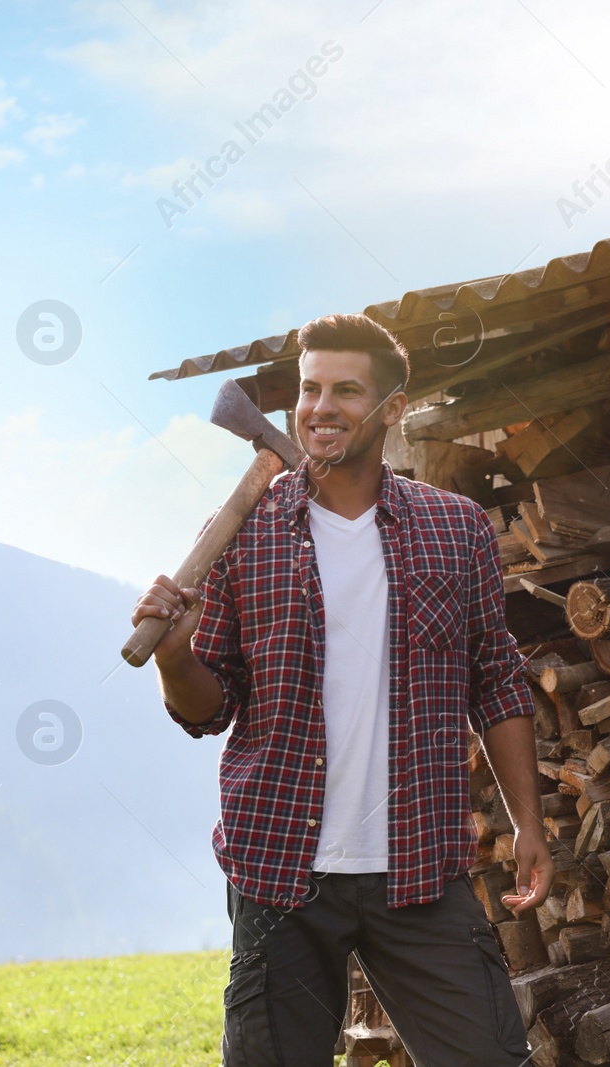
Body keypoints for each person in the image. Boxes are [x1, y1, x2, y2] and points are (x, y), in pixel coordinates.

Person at [131, 313, 550, 1066]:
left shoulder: (454, 530)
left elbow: (497, 683)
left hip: (419, 866)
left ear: (392, 406)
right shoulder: (244, 533)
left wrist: (529, 824)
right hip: (279, 870)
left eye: (346, 390)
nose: (321, 407)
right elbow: (211, 705)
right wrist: (172, 656)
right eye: (310, 388)